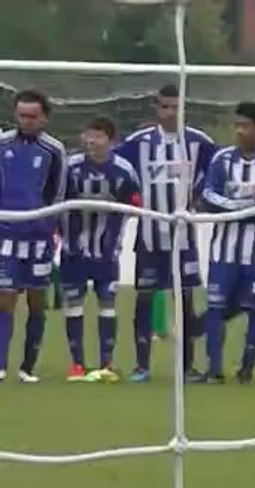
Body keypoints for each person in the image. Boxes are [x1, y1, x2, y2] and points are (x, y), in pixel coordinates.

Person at [116, 83, 219, 383]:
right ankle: (142, 365)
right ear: (156, 108)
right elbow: (119, 170)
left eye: (176, 106)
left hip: (183, 236)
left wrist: (200, 196)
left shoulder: (200, 142)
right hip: (148, 234)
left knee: (185, 301)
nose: (170, 112)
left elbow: (217, 171)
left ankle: (186, 367)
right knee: (144, 299)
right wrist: (130, 197)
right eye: (165, 106)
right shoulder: (138, 142)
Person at [194, 102, 255, 385]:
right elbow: (208, 197)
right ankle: (214, 369)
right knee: (216, 307)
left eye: (245, 125)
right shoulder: (222, 160)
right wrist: (243, 206)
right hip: (223, 252)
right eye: (237, 125)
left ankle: (246, 369)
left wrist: (251, 209)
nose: (239, 130)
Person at [61, 116, 142, 383]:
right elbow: (55, 200)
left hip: (107, 252)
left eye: (98, 136)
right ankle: (77, 365)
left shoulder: (123, 170)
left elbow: (136, 204)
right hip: (74, 251)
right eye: (89, 135)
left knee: (107, 304)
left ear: (111, 140)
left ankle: (106, 364)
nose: (92, 141)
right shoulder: (70, 167)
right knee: (74, 305)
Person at [0, 89, 67, 384]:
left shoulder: (54, 150)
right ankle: (1, 364)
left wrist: (51, 228)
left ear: (44, 118)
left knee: (36, 301)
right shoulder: (2, 144)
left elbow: (60, 194)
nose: (26, 121)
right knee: (5, 299)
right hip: (6, 235)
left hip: (39, 238)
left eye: (32, 116)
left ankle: (28, 366)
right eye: (22, 115)